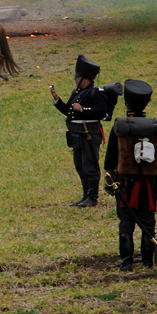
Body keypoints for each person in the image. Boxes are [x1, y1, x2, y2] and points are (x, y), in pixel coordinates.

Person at [103, 80, 157, 272]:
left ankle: (126, 263)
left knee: (126, 224)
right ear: (146, 105)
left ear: (126, 104)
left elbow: (110, 160)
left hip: (124, 185)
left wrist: (109, 183)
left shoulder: (120, 127)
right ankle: (147, 262)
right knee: (147, 224)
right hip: (150, 186)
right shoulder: (156, 128)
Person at [52, 55, 109, 207]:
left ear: (86, 79)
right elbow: (69, 111)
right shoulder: (76, 92)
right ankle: (85, 195)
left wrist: (83, 109)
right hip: (76, 133)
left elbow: (102, 112)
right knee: (80, 165)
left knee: (90, 165)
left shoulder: (97, 92)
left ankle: (93, 197)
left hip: (90, 134)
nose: (75, 79)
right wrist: (57, 101)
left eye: (77, 77)